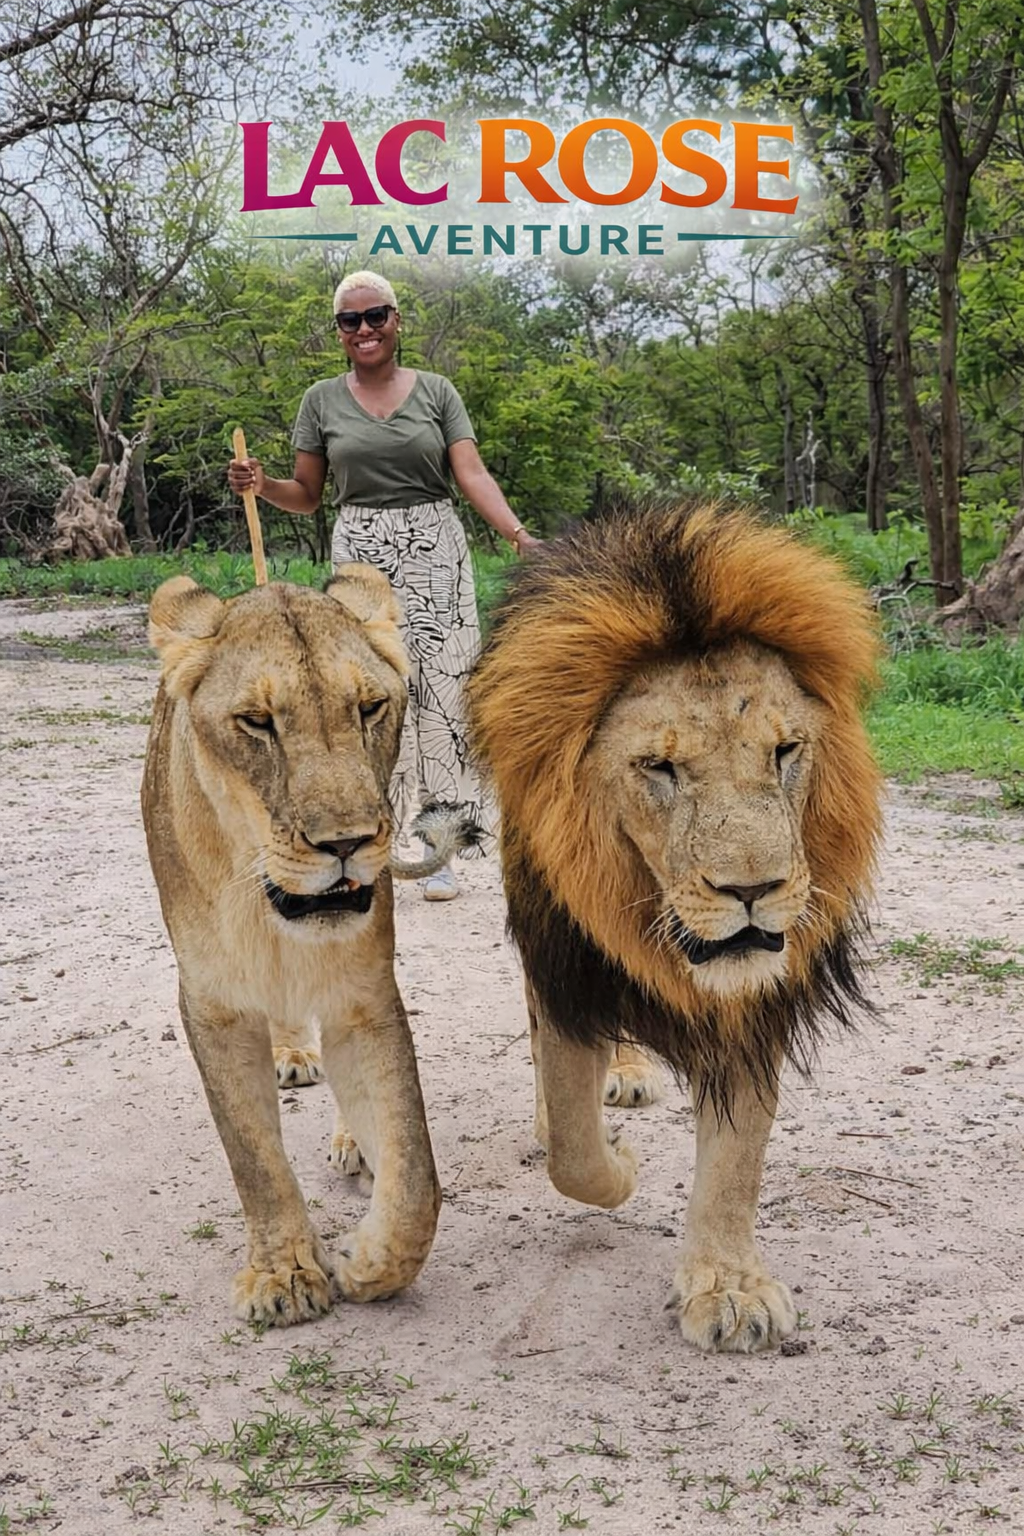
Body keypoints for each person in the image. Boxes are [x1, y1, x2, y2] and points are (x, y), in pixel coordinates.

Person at [227, 270, 539, 901]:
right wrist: (260, 486)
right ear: (338, 331)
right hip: (361, 553)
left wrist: (517, 534)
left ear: (397, 321)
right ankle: (372, 841)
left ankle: (442, 845)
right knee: (367, 696)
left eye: (375, 317)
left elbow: (470, 473)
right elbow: (308, 496)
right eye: (350, 321)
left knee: (444, 693)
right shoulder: (320, 401)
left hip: (435, 543)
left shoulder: (437, 392)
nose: (364, 329)